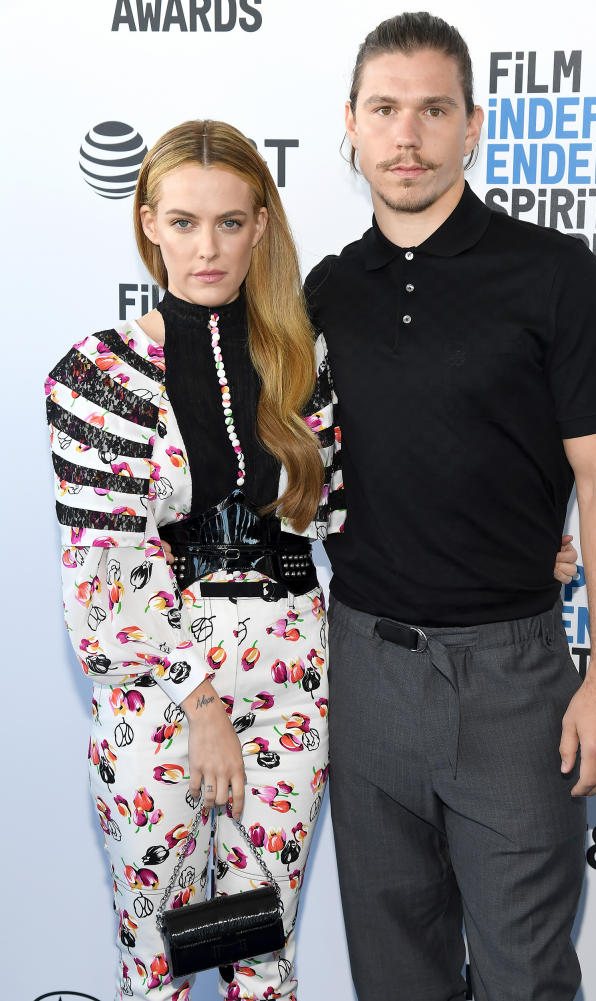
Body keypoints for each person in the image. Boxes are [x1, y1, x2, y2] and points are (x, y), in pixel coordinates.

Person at [305, 13, 596, 1001]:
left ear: (472, 127)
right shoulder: (323, 291)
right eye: (385, 110)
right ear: (353, 126)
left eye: (432, 110)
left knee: (526, 977)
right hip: (364, 673)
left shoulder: (555, 274)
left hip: (514, 682)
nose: (406, 136)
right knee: (397, 979)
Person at [45, 120, 345, 1001]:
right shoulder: (99, 374)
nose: (205, 247)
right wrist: (200, 700)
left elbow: (345, 515)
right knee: (164, 952)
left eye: (227, 222)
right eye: (182, 222)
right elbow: (103, 574)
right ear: (147, 223)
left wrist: (512, 549)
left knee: (261, 948)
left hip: (292, 684)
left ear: (261, 225)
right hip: (162, 693)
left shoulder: (303, 362)